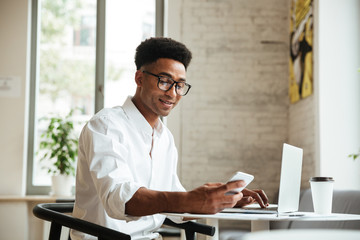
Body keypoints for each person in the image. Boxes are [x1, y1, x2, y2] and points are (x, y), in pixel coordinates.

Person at [71, 37, 269, 240]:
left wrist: (224, 199)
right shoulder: (106, 125)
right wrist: (191, 199)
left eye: (180, 85)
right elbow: (119, 199)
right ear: (139, 78)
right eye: (164, 81)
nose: (172, 93)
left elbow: (174, 203)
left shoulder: (164, 138)